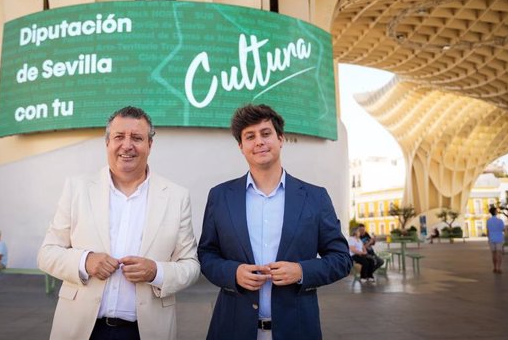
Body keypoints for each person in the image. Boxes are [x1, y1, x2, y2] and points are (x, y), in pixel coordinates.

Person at [37, 106, 200, 340]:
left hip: (146, 332)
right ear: (107, 143)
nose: (127, 145)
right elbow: (47, 253)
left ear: (150, 145)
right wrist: (85, 261)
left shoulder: (176, 196)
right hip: (81, 329)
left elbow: (191, 265)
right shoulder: (77, 188)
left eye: (137, 138)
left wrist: (156, 271)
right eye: (119, 137)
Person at [198, 104, 352, 340]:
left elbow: (341, 259)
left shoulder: (315, 197)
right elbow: (207, 254)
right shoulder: (220, 197)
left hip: (298, 330)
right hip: (232, 329)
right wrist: (234, 273)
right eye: (250, 136)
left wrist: (301, 271)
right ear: (241, 146)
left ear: (281, 139)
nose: (259, 141)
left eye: (266, 133)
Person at [486, 206, 505, 273]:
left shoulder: (488, 221)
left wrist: (488, 239)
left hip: (492, 238)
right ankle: (499, 268)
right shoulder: (500, 221)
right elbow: (503, 229)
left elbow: (487, 231)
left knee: (493, 254)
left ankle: (494, 268)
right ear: (495, 212)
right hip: (499, 238)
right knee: (499, 254)